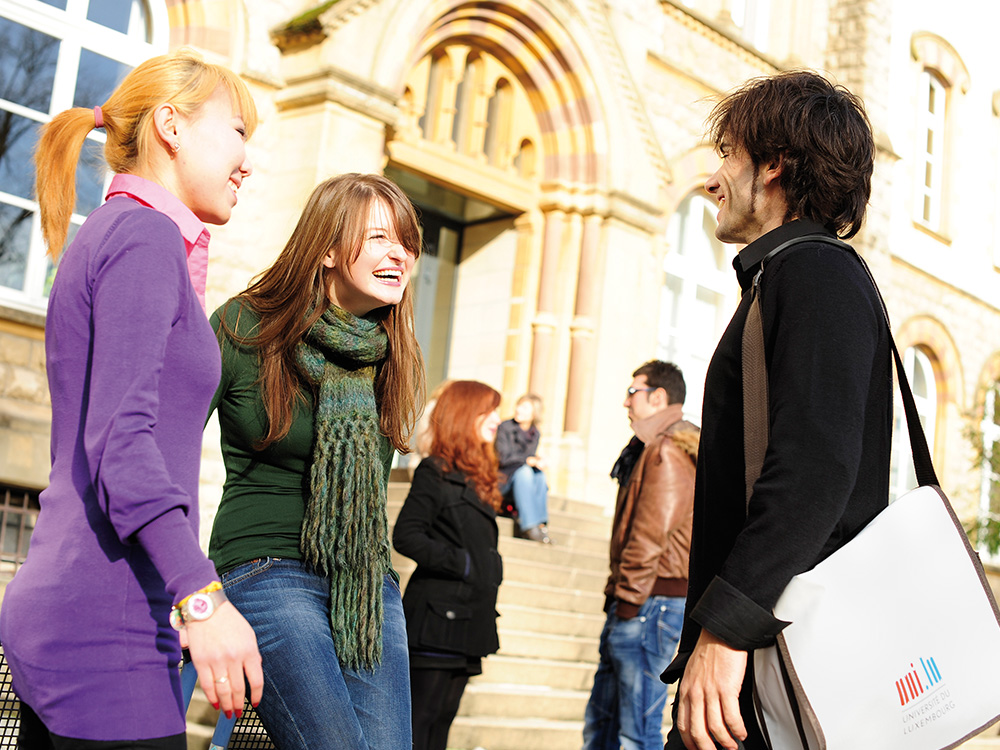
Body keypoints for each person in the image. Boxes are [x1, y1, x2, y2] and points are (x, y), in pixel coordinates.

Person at [0, 50, 263, 746]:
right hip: (101, 624)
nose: (247, 161)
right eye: (238, 132)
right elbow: (122, 444)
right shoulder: (144, 237)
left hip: (88, 608)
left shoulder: (115, 234)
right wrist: (201, 599)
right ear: (171, 126)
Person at [662, 71, 889, 750]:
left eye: (727, 153)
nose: (711, 180)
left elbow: (813, 474)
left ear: (774, 165)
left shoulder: (815, 274)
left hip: (775, 653)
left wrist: (726, 630)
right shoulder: (789, 276)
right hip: (768, 647)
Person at [207, 172, 425, 749]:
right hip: (265, 567)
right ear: (327, 248)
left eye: (406, 241)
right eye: (378, 238)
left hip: (363, 581)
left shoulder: (388, 348)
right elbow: (162, 448)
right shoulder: (244, 327)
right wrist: (190, 598)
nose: (398, 253)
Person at [582, 360, 699, 750]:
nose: (625, 402)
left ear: (659, 397)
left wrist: (627, 603)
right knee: (606, 724)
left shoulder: (668, 450)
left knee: (634, 733)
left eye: (633, 392)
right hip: (648, 601)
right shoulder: (652, 447)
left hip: (650, 604)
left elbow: (650, 537)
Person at [392, 380, 505, 750]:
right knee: (420, 721)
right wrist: (464, 563)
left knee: (442, 722)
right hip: (436, 619)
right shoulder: (434, 470)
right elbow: (406, 535)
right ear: (465, 413)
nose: (497, 419)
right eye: (489, 411)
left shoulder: (479, 476)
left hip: (470, 620)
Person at [495, 393, 552, 543]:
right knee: (525, 471)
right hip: (504, 479)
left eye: (525, 407)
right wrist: (528, 460)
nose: (519, 409)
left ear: (535, 413)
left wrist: (538, 461)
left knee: (539, 474)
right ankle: (529, 526)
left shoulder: (535, 433)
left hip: (522, 482)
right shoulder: (504, 427)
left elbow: (530, 459)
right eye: (518, 405)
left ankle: (540, 524)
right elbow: (503, 458)